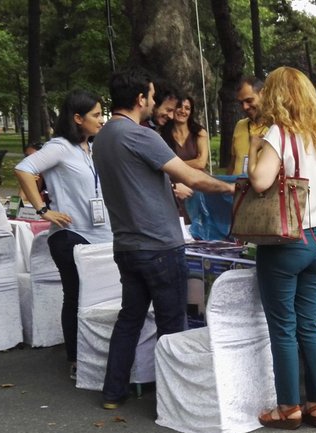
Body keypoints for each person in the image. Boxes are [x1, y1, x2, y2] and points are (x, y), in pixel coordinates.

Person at [92, 69, 235, 409]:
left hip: (126, 245)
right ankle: (173, 400)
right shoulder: (141, 135)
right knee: (173, 323)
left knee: (130, 318)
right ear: (140, 99)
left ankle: (113, 392)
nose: (155, 102)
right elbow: (192, 177)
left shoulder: (103, 137)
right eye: (152, 96)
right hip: (158, 245)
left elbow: (135, 180)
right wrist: (234, 187)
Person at [245, 66, 316, 430]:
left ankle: (288, 406)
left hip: (286, 242)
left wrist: (256, 149)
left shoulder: (278, 135)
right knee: (309, 323)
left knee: (283, 326)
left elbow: (260, 181)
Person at [15, 89, 112, 379]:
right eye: (95, 115)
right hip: (71, 235)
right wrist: (44, 210)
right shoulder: (59, 146)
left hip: (102, 234)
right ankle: (76, 358)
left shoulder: (90, 147)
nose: (101, 120)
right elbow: (23, 169)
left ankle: (100, 353)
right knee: (76, 295)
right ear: (77, 118)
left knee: (101, 296)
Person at [227, 76, 266, 174]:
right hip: (237, 187)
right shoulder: (240, 125)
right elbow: (233, 162)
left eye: (249, 101)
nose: (245, 107)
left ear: (263, 94)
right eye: (241, 103)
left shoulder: (276, 128)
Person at [161, 95, 210, 171]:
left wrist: (172, 165)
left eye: (187, 108)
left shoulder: (199, 133)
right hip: (173, 181)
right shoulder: (163, 135)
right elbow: (162, 164)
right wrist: (194, 162)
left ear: (191, 112)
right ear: (172, 109)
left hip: (199, 180)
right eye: (179, 106)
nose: (183, 111)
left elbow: (201, 163)